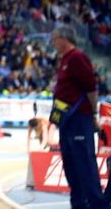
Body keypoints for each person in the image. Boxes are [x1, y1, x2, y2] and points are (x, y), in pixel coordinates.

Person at [49, 25, 109, 207]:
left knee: (85, 166)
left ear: (63, 38)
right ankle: (79, 204)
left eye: (54, 39)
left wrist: (92, 115)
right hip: (67, 121)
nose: (53, 43)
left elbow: (91, 88)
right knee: (71, 166)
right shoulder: (65, 60)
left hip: (79, 120)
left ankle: (97, 205)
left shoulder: (77, 58)